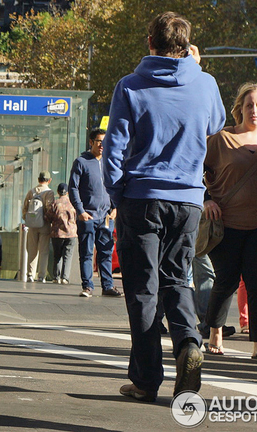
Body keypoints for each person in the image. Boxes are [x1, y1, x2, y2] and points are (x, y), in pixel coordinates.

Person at [102, 11, 226, 401]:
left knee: (142, 289)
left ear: (150, 43)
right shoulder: (204, 83)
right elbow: (216, 122)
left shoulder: (131, 86)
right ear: (186, 45)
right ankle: (189, 342)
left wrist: (118, 193)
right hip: (188, 200)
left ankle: (145, 379)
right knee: (177, 278)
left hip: (141, 198)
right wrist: (197, 69)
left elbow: (113, 149)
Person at [203, 82, 257, 359]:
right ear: (240, 109)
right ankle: (215, 332)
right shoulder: (222, 139)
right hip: (226, 225)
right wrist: (205, 199)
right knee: (226, 280)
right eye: (250, 105)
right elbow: (192, 168)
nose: (255, 110)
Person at [69, 128, 121, 298]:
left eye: (104, 142)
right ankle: (87, 286)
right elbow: (73, 188)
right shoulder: (81, 162)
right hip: (88, 216)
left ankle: (108, 286)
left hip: (106, 216)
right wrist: (81, 211)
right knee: (86, 253)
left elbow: (116, 186)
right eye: (99, 141)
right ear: (91, 142)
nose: (102, 145)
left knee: (106, 251)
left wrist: (115, 208)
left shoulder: (110, 162)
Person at [22, 171, 55, 282]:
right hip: (44, 225)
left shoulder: (31, 192)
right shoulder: (49, 193)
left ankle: (30, 274)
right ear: (49, 180)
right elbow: (50, 209)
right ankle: (41, 276)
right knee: (43, 251)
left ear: (38, 179)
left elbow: (25, 208)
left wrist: (28, 220)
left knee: (32, 250)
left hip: (32, 225)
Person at [49, 183, 77, 285]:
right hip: (71, 233)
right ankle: (65, 278)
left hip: (57, 233)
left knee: (57, 255)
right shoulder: (73, 204)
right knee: (67, 256)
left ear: (58, 192)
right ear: (68, 192)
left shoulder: (55, 203)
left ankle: (56, 277)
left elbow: (48, 217)